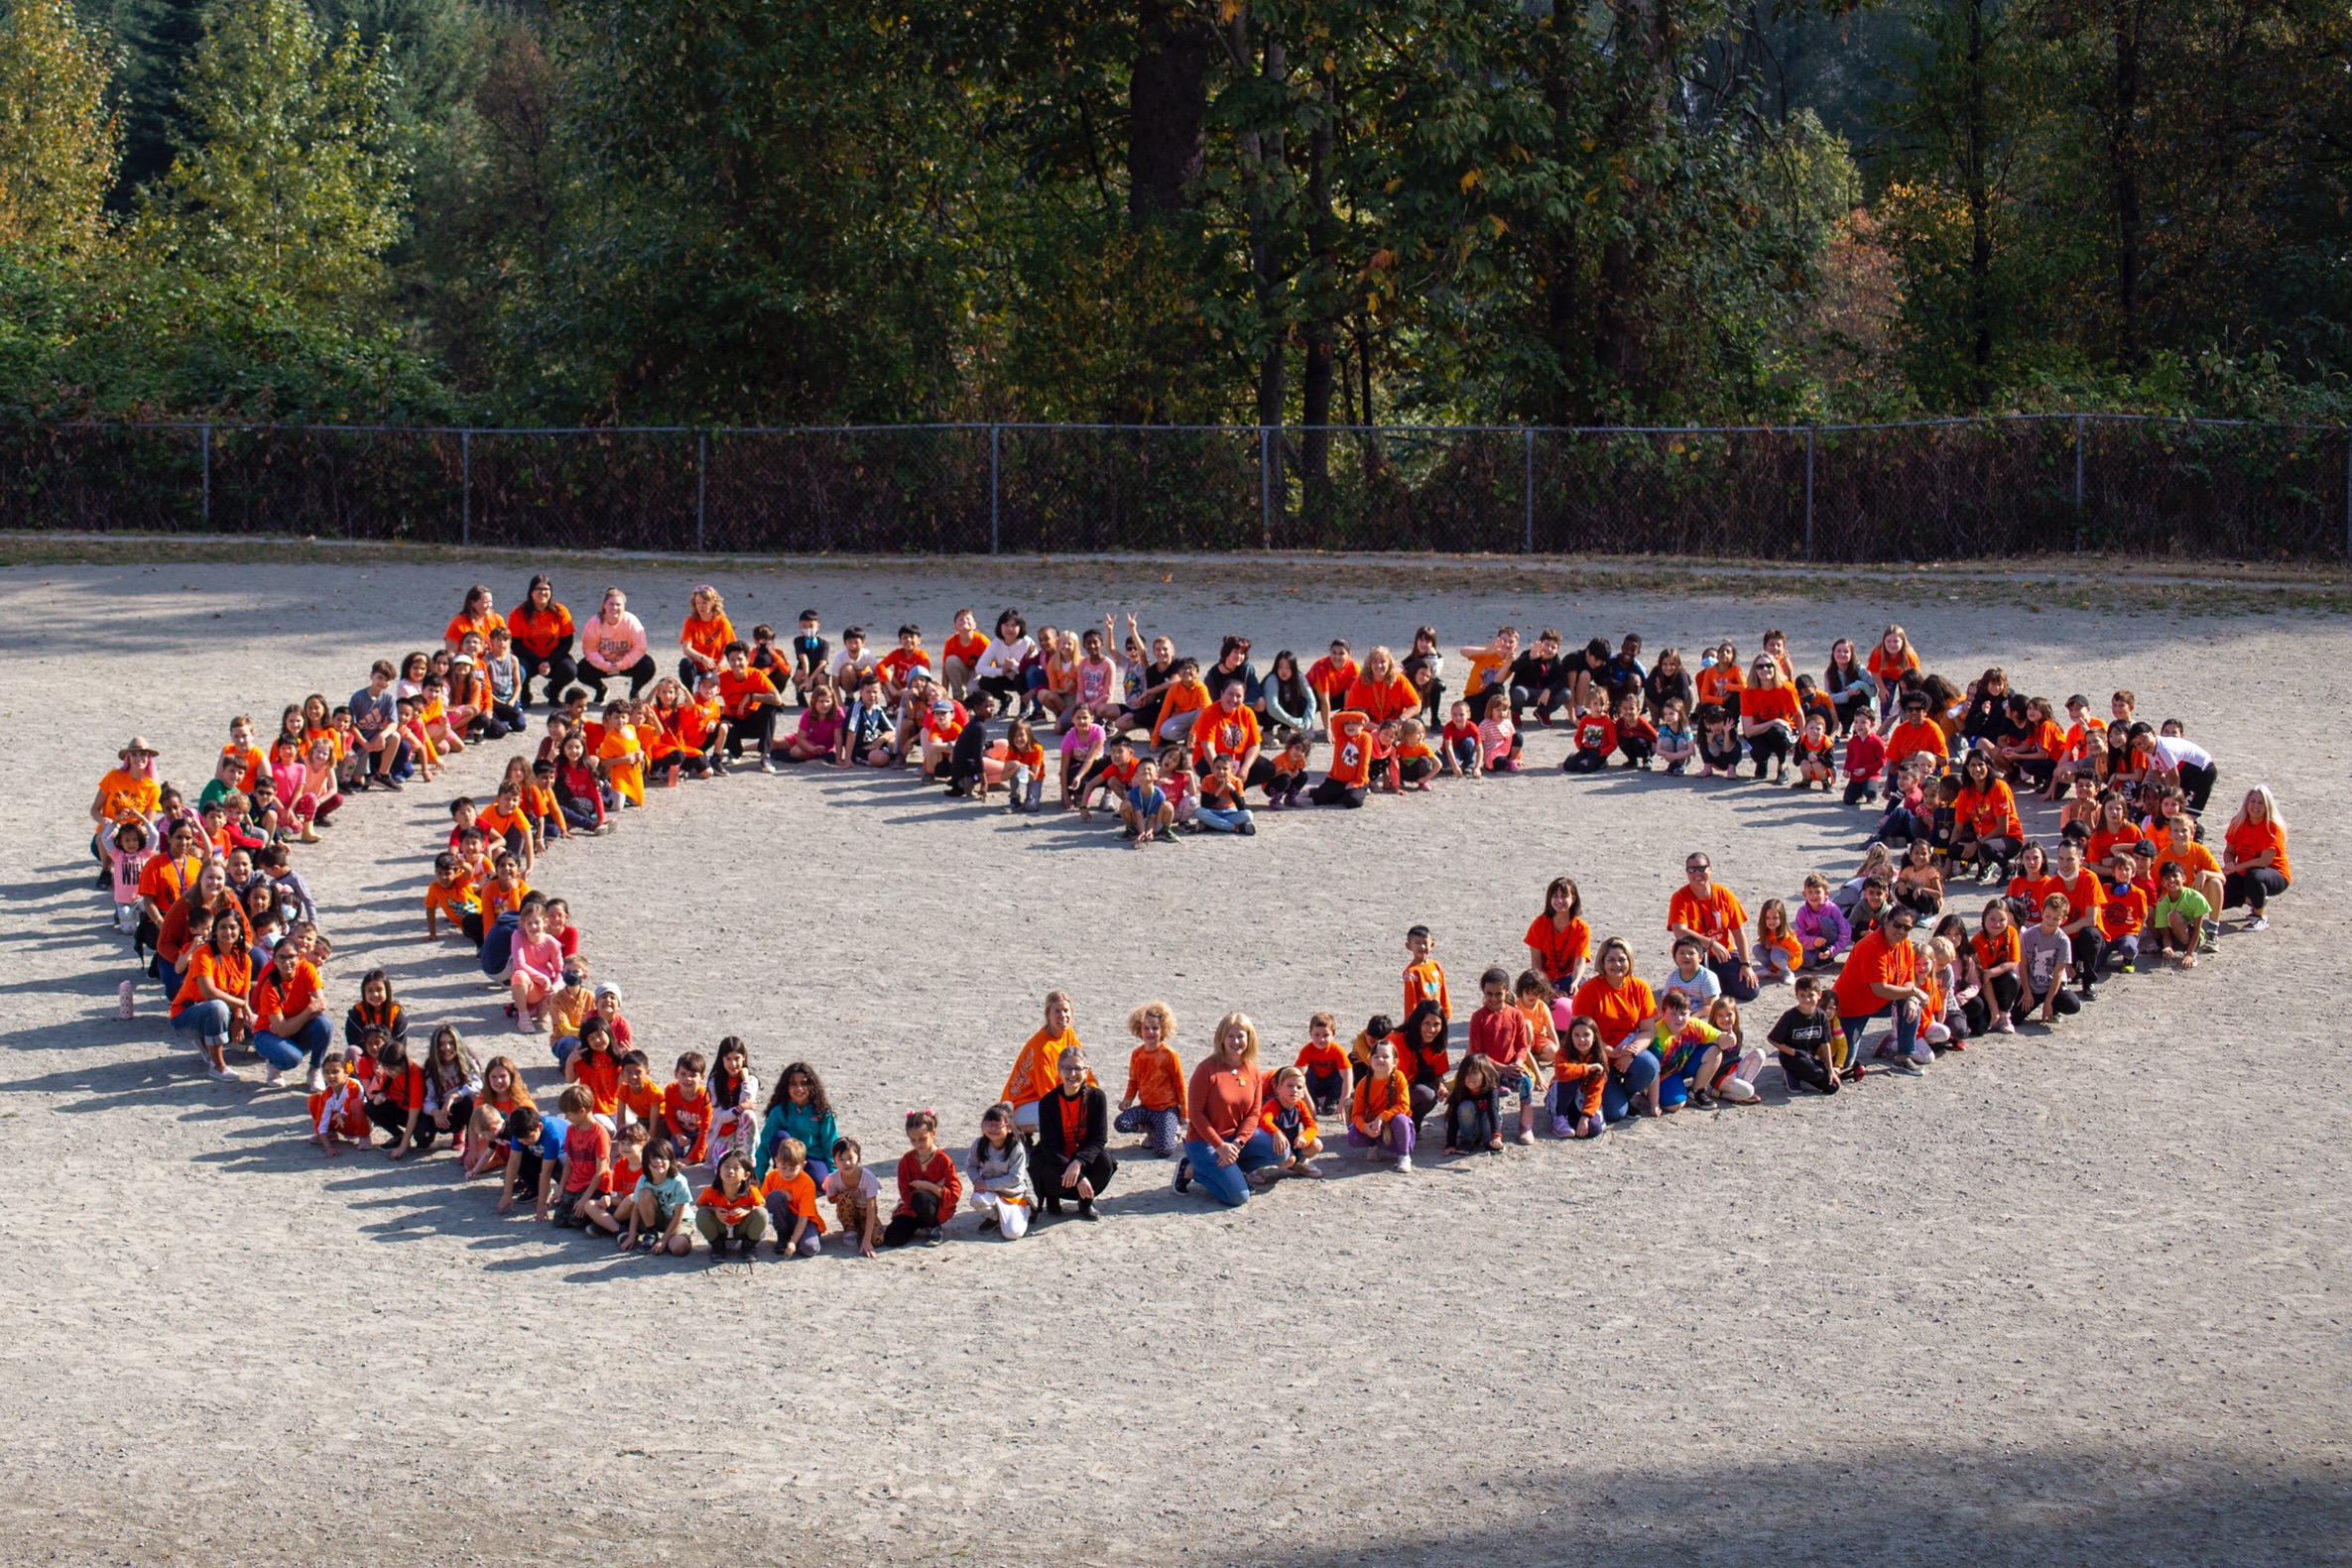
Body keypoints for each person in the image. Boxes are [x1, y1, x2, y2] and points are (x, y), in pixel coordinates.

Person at [1173, 1012, 1282, 1206]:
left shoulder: (1253, 1071)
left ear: (1249, 1038)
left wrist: (1238, 1144)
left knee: (1281, 1152)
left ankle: (1232, 1169)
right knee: (1239, 1197)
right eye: (1230, 1036)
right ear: (1221, 1038)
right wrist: (1220, 1146)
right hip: (1204, 1142)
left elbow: (1254, 1113)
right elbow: (1195, 1114)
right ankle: (1191, 1169)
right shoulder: (1206, 1069)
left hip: (1235, 1139)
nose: (1235, 1041)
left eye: (1241, 1036)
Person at [1831, 904, 1933, 1070]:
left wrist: (1911, 997)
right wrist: (1914, 992)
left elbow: (1908, 978)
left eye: (1907, 928)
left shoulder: (1905, 945)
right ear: (1886, 922)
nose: (1901, 931)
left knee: (1911, 1005)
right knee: (1844, 1063)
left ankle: (1903, 1056)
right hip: (1851, 1008)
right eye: (1897, 925)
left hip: (1879, 1002)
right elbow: (1880, 989)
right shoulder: (1871, 946)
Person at [1570, 937, 1661, 1123]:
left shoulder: (1640, 988)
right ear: (1602, 961)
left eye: (1622, 959)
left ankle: (1623, 1093)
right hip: (1597, 1055)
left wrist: (1632, 1052)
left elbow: (1648, 1031)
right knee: (1614, 1114)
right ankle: (1608, 1094)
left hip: (1627, 1053)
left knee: (1650, 1064)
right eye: (1611, 959)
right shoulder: (1589, 990)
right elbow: (1578, 1032)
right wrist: (1610, 1051)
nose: (1617, 964)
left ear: (1630, 961)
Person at [170, 907, 252, 1082]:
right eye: (222, 927)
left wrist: (238, 1018)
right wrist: (242, 1006)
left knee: (257, 1026)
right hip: (186, 1015)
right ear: (215, 930)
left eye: (233, 927)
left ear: (240, 931)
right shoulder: (203, 952)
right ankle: (217, 1065)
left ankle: (273, 1063)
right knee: (217, 1006)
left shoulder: (244, 958)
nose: (227, 932)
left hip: (226, 1012)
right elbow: (209, 993)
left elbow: (243, 995)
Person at [1667, 852, 1760, 1002]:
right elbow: (1680, 932)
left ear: (1710, 869)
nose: (1697, 873)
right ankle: (1704, 983)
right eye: (1692, 869)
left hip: (1723, 954)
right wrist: (1710, 944)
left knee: (1750, 990)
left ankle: (1714, 982)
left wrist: (1746, 964)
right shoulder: (1680, 897)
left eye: (1701, 868)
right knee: (1693, 997)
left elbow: (1738, 931)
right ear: (1687, 872)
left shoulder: (1724, 894)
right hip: (1695, 954)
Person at [755, 1061, 840, 1186]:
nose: (799, 1089)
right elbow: (765, 1144)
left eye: (804, 1083)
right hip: (786, 1161)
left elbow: (830, 1145)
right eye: (793, 1084)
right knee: (780, 1136)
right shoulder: (779, 1111)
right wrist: (758, 1175)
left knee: (822, 1183)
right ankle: (782, 1177)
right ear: (786, 1087)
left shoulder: (822, 1112)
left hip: (812, 1157)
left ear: (812, 1085)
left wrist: (835, 1176)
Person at [884, 1110, 960, 1248]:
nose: (918, 1144)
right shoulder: (906, 1161)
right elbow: (906, 1196)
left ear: (933, 1134)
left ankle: (933, 1227)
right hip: (912, 1208)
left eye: (922, 1139)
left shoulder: (943, 1160)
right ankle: (917, 1224)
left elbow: (954, 1195)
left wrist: (928, 1187)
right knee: (892, 1238)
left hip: (935, 1208)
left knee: (921, 1197)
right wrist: (936, 1186)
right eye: (913, 1140)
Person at [2220, 784, 2289, 930]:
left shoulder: (2273, 827)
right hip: (2243, 872)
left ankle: (2259, 916)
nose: (2255, 806)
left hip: (2274, 873)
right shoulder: (2237, 822)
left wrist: (2236, 868)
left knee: (2255, 875)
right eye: (2252, 801)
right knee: (2219, 896)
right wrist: (2229, 864)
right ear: (2246, 803)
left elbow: (2264, 861)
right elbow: (2229, 851)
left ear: (2267, 806)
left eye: (2260, 802)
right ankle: (2253, 899)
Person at [963, 1102, 1035, 1239]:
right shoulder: (979, 1144)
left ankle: (1026, 1208)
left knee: (1012, 1234)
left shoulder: (1016, 1148)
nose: (993, 1129)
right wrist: (978, 1181)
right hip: (989, 1192)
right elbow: (971, 1165)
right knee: (976, 1198)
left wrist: (987, 1184)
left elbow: (1015, 1178)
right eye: (988, 1125)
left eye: (997, 1125)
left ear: (1009, 1128)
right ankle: (994, 1218)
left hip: (1012, 1195)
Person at [1347, 1035, 1417, 1172]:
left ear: (1395, 1061)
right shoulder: (1363, 1083)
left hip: (1393, 1125)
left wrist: (1382, 1117)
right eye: (1376, 1056)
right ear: (1370, 1060)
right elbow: (1356, 1114)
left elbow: (1403, 1106)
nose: (1380, 1059)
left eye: (1385, 1056)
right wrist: (1364, 1127)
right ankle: (1374, 1145)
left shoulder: (1399, 1078)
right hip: (1374, 1126)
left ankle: (1404, 1156)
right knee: (1352, 1136)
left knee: (1401, 1120)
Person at [618, 1137, 694, 1255]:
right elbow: (636, 1208)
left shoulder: (679, 1182)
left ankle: (678, 1236)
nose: (658, 1161)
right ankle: (650, 1233)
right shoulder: (643, 1180)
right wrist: (631, 1236)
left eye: (663, 1157)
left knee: (678, 1248)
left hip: (679, 1220)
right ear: (646, 1161)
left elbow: (678, 1216)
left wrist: (663, 1241)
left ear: (670, 1159)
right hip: (657, 1218)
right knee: (644, 1194)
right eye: (653, 1157)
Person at [578, 586, 657, 700]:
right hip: (603, 663)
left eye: (618, 604)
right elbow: (589, 650)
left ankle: (634, 692)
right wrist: (606, 666)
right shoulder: (594, 623)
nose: (614, 607)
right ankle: (601, 690)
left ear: (624, 606)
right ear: (604, 605)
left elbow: (640, 647)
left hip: (625, 663)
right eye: (611, 604)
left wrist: (621, 665)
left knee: (648, 666)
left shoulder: (631, 621)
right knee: (581, 670)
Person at [761, 1138, 827, 1258]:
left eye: (792, 1169)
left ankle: (802, 1236)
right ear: (776, 1162)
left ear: (802, 1165)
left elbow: (803, 1218)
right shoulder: (771, 1176)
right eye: (783, 1167)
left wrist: (793, 1242)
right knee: (774, 1196)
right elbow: (762, 1203)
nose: (787, 1173)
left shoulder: (807, 1183)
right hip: (785, 1218)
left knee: (809, 1248)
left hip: (805, 1220)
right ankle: (783, 1235)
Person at [696, 1149, 768, 1258]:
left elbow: (761, 1204)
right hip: (721, 1227)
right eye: (726, 1166)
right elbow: (700, 1205)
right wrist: (714, 1209)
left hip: (742, 1227)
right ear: (719, 1171)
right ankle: (717, 1246)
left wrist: (747, 1210)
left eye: (736, 1168)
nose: (730, 1171)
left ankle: (748, 1246)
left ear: (746, 1175)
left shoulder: (751, 1191)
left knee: (761, 1214)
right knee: (702, 1214)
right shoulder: (710, 1191)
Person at [1524, 877, 1590, 993]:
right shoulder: (1539, 924)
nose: (1559, 901)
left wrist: (1575, 982)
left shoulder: (1581, 928)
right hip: (1544, 979)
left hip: (1568, 978)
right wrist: (1539, 984)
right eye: (1555, 896)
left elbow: (1580, 962)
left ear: (1573, 899)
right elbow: (1536, 962)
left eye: (1564, 896)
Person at [822, 1138, 884, 1258]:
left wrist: (867, 1240)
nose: (847, 1163)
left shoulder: (868, 1177)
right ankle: (850, 1228)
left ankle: (862, 1228)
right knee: (846, 1196)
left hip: (865, 1210)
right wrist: (843, 1195)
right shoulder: (832, 1178)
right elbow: (831, 1199)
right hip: (847, 1210)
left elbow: (871, 1209)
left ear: (858, 1158)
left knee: (877, 1240)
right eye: (841, 1159)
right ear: (835, 1162)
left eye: (850, 1158)